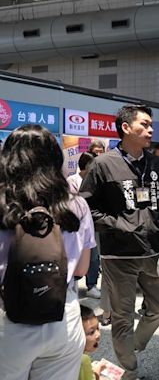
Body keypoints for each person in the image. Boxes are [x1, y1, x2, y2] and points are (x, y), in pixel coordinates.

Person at [80, 104, 159, 380]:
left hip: (153, 249)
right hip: (119, 255)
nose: (151, 130)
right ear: (126, 128)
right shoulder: (103, 164)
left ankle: (132, 347)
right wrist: (119, 225)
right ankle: (129, 370)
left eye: (151, 125)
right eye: (144, 124)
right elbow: (86, 207)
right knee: (122, 317)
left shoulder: (154, 164)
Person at [0, 124, 96, 380]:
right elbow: (82, 269)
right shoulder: (76, 205)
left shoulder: (3, 203)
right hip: (63, 316)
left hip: (7, 320)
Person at [68, 152, 102, 300]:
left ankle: (92, 285)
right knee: (75, 255)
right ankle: (74, 283)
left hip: (93, 223)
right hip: (75, 226)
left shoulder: (96, 180)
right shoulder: (72, 180)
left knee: (93, 257)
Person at [79, 305, 105, 380]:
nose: (98, 334)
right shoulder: (83, 360)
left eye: (97, 327)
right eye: (91, 332)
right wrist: (98, 369)